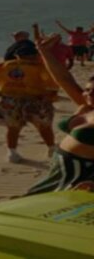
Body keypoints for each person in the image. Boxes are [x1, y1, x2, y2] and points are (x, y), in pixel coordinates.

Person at [27, 33, 94, 194]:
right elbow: (64, 79)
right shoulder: (86, 105)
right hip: (59, 172)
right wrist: (44, 52)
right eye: (87, 90)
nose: (89, 94)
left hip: (81, 177)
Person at [0, 42, 58, 163]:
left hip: (10, 99)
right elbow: (52, 85)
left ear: (17, 56)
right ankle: (51, 149)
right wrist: (51, 96)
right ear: (35, 55)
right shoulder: (39, 67)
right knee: (44, 126)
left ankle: (12, 153)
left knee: (13, 128)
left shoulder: (4, 65)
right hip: (35, 99)